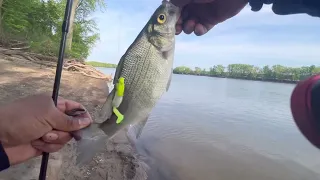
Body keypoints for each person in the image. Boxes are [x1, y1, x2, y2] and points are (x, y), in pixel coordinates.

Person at [1, 0, 320, 173]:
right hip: (128, 104)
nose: (168, 12)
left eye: (163, 17)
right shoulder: (155, 45)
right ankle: (105, 130)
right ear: (157, 33)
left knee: (122, 116)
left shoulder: (158, 43)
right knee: (121, 117)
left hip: (127, 104)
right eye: (162, 18)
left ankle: (104, 130)